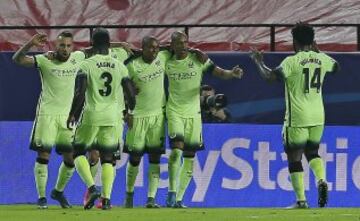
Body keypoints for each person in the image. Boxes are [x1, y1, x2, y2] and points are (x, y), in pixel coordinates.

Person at [250, 23, 339, 208]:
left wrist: (258, 62)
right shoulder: (322, 58)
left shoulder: (291, 61)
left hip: (297, 117)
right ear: (312, 41)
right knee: (312, 152)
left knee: (294, 158)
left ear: (294, 41)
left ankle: (301, 200)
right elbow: (336, 67)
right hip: (318, 116)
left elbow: (270, 77)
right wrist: (318, 51)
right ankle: (322, 180)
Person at [166, 31, 244, 208]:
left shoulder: (198, 60)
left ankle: (179, 199)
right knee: (176, 151)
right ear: (172, 45)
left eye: (185, 42)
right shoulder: (166, 59)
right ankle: (171, 192)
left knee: (189, 157)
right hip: (175, 112)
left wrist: (232, 73)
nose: (183, 46)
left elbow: (220, 73)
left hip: (194, 114)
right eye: (178, 43)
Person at [12, 31, 85, 209]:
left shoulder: (79, 57)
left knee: (70, 160)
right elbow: (17, 59)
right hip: (47, 115)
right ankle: (42, 198)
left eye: (68, 45)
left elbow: (99, 47)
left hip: (67, 117)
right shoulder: (45, 60)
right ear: (55, 45)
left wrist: (120, 45)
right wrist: (30, 43)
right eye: (62, 45)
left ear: (73, 46)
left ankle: (58, 191)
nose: (65, 49)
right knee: (44, 155)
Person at [67, 27, 136, 210]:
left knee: (77, 152)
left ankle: (92, 188)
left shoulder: (86, 64)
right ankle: (106, 200)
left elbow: (80, 93)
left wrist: (73, 113)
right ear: (109, 43)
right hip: (113, 116)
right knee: (108, 158)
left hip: (92, 113)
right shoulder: (120, 66)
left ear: (92, 43)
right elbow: (131, 95)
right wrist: (130, 112)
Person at [122, 36, 171, 208]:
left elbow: (177, 47)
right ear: (142, 48)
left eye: (157, 48)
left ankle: (151, 198)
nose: (154, 51)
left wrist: (196, 51)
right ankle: (129, 194)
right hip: (137, 116)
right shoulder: (130, 65)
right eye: (150, 48)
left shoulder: (163, 57)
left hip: (158, 116)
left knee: (155, 158)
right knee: (135, 158)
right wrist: (125, 111)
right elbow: (118, 88)